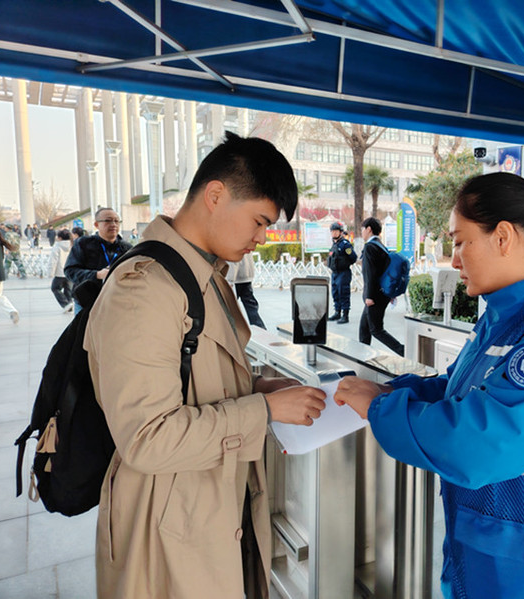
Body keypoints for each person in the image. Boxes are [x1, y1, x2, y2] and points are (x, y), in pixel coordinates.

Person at [336, 172, 524, 598]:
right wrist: (390, 392)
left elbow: (483, 442)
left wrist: (380, 410)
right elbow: (458, 390)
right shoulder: (503, 315)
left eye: (458, 242)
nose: (453, 261)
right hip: (491, 552)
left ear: (503, 237)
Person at [84, 132, 327, 599]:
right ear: (216, 195)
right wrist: (265, 411)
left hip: (210, 505)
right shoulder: (144, 289)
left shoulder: (204, 274)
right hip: (164, 528)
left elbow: (191, 377)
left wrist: (259, 385)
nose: (261, 239)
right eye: (259, 221)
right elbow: (147, 437)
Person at [358, 217, 405, 356]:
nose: (362, 232)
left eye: (362, 229)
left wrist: (369, 297)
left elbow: (370, 274)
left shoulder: (370, 247)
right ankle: (362, 355)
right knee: (364, 328)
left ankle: (404, 351)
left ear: (368, 229)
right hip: (382, 294)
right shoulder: (381, 246)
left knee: (376, 330)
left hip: (375, 296)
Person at [64, 208, 132, 295]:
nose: (113, 224)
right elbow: (70, 271)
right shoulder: (83, 244)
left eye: (116, 221)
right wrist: (97, 275)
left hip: (118, 299)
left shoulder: (127, 248)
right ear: (96, 224)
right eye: (108, 221)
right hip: (88, 300)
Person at [327, 221, 356, 324]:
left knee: (343, 292)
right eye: (332, 231)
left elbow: (353, 257)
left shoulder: (345, 245)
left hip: (343, 273)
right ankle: (337, 312)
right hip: (335, 273)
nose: (334, 233)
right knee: (335, 293)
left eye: (336, 231)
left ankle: (345, 315)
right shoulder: (334, 245)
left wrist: (345, 263)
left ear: (340, 232)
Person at [227, 252, 265, 329]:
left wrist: (230, 279)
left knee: (230, 306)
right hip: (246, 276)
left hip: (236, 278)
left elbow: (233, 259)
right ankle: (260, 328)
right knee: (250, 305)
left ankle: (232, 331)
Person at [48, 229, 74, 312]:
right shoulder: (73, 245)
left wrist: (50, 273)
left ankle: (66, 304)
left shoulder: (57, 247)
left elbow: (53, 261)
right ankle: (69, 304)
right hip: (70, 272)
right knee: (68, 290)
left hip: (60, 272)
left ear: (59, 238)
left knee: (55, 288)